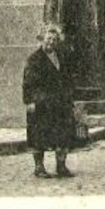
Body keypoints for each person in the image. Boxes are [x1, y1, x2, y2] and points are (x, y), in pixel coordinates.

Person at [22, 23, 77, 180]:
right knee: (39, 135)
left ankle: (61, 165)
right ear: (42, 39)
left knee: (63, 134)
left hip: (60, 103)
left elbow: (67, 79)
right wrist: (30, 102)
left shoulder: (61, 57)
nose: (51, 42)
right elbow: (28, 83)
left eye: (54, 39)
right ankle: (39, 167)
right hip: (42, 103)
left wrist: (69, 98)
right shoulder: (34, 59)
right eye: (48, 38)